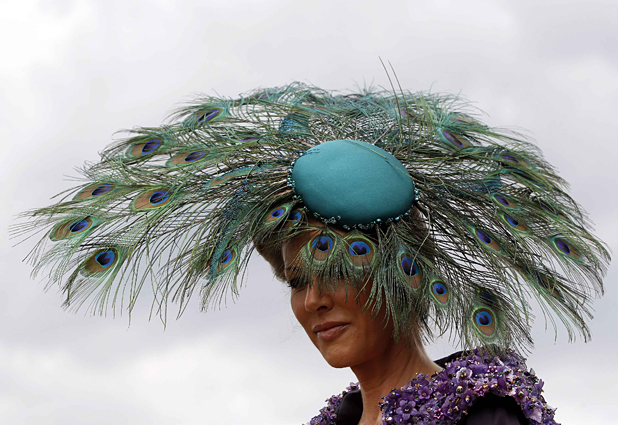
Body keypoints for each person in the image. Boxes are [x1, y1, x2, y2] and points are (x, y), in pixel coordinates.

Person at [18, 83, 608, 425]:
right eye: (297, 281)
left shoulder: (489, 419)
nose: (314, 302)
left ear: (402, 276)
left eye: (333, 272)